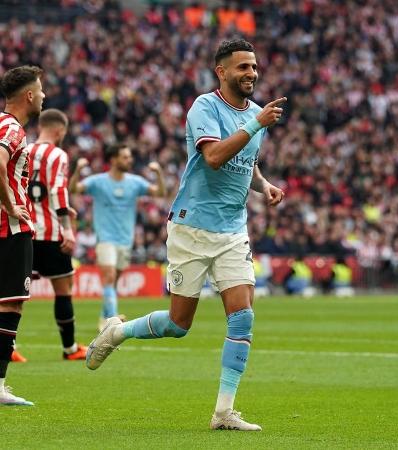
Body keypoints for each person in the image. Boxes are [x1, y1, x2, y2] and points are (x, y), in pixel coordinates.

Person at [85, 39, 286, 431]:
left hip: (232, 230)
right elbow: (213, 157)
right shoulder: (205, 107)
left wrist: (265, 186)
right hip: (192, 226)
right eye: (243, 67)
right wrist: (254, 125)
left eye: (255, 66)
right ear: (222, 71)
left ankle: (223, 412)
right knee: (179, 324)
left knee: (242, 318)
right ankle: (118, 331)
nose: (252, 73)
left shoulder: (258, 115)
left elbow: (248, 163)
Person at [69, 143, 166, 328]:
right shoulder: (98, 181)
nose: (130, 160)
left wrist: (159, 173)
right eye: (125, 157)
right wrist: (78, 170)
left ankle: (103, 318)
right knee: (110, 277)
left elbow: (159, 192)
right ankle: (112, 321)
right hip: (105, 239)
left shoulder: (135, 182)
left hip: (125, 240)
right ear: (113, 160)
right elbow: (74, 189)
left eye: (129, 157)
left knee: (112, 283)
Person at [24, 108, 86, 361]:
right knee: (63, 288)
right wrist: (67, 229)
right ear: (59, 130)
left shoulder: (24, 150)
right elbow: (59, 191)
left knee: (13, 293)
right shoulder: (57, 155)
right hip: (50, 232)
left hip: (24, 232)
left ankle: (10, 348)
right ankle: (69, 348)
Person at [0, 65, 45, 406]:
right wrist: (12, 204)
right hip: (11, 229)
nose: (43, 96)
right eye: (40, 90)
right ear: (29, 95)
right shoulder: (12, 127)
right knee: (11, 303)